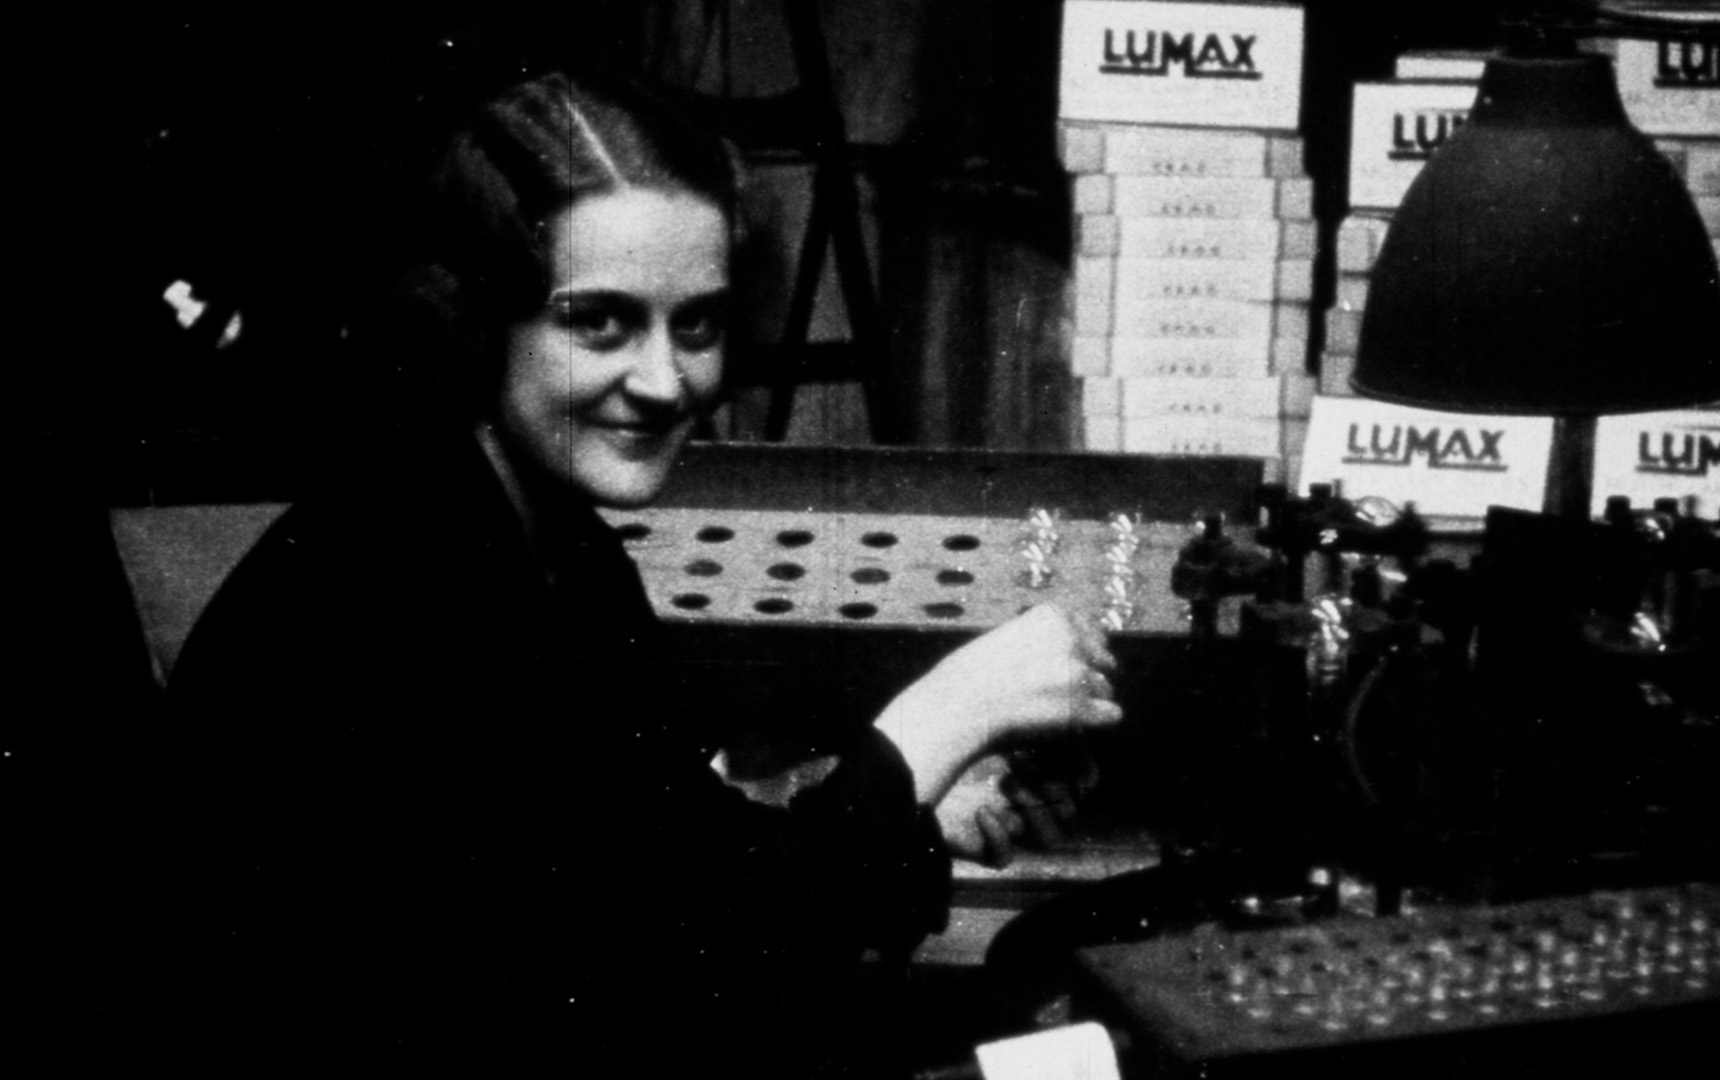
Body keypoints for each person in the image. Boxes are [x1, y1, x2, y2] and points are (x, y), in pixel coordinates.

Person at [157, 70, 1120, 1072]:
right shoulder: (392, 585)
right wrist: (937, 722)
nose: (665, 382)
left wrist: (920, 817)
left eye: (695, 324)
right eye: (600, 324)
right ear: (476, 320)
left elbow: (678, 867)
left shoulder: (560, 547)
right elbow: (664, 979)